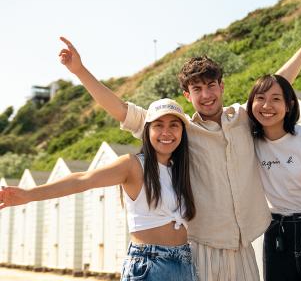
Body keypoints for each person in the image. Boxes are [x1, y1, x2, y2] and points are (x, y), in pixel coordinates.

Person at [56, 26, 301, 281]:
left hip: (243, 248)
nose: (206, 95)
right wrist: (79, 71)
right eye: (197, 89)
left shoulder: (243, 118)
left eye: (211, 86)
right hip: (202, 248)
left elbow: (277, 85)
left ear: (222, 86)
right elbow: (122, 110)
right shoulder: (181, 130)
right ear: (187, 94)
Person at [0, 98, 198, 281]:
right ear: (147, 130)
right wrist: (29, 194)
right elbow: (83, 180)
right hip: (149, 263)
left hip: (184, 263)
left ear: (182, 131)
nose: (166, 132)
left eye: (174, 125)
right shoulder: (133, 165)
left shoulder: (181, 170)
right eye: (158, 125)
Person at [246, 74, 301, 281]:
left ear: (289, 105)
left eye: (276, 99)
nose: (267, 105)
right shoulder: (248, 143)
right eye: (260, 98)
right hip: (275, 232)